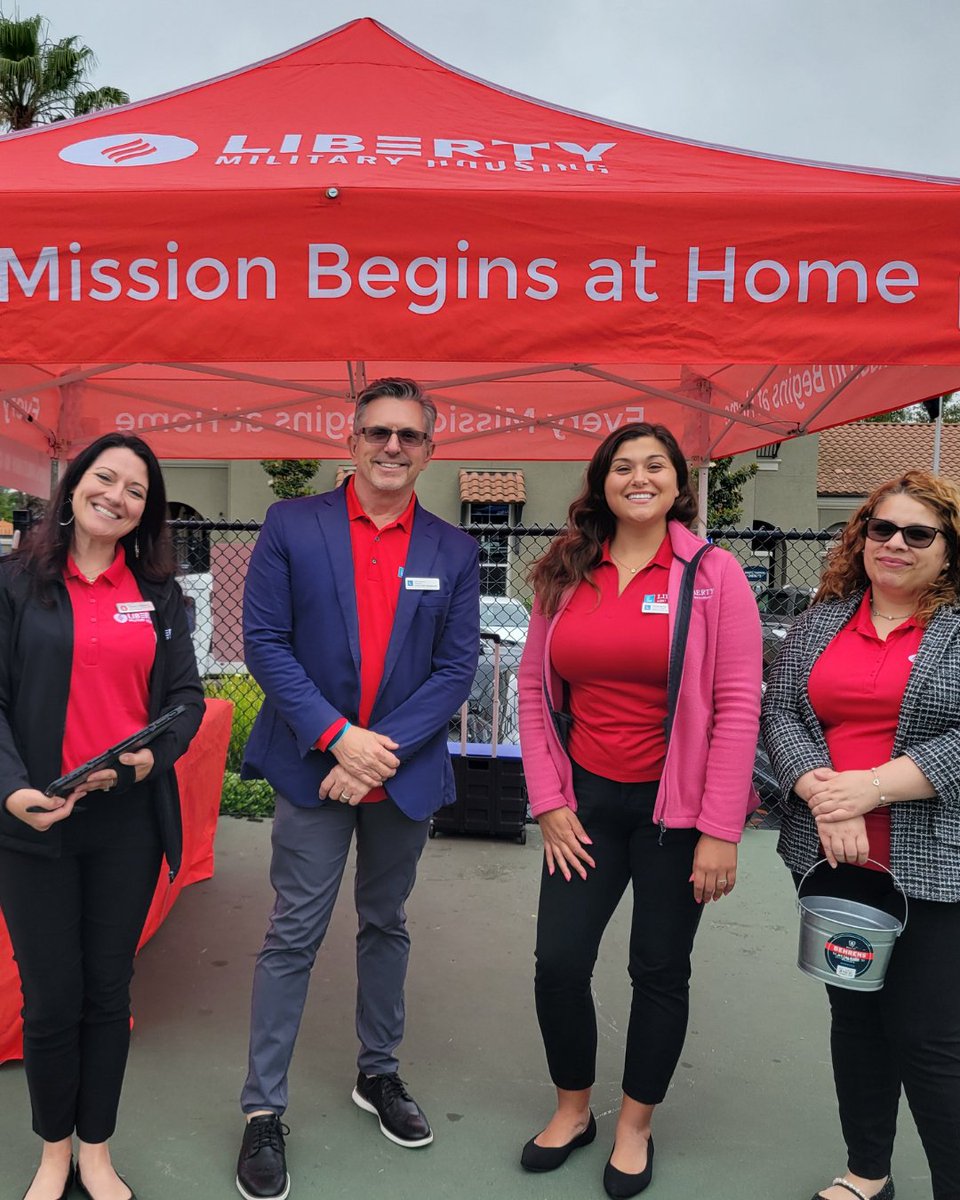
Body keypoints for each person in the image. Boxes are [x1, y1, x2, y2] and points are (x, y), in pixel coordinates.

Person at [235, 378, 480, 1200]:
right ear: (351, 441)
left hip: (400, 778)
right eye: (378, 432)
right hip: (314, 767)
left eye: (409, 435)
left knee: (386, 924)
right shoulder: (291, 525)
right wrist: (338, 738)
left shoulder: (453, 550)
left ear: (429, 450)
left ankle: (378, 1073)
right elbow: (265, 644)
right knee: (292, 934)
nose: (392, 447)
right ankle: (262, 1110)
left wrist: (377, 753)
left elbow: (454, 671)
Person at [517, 422, 761, 1198]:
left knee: (658, 968)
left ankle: (634, 1124)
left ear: (678, 483)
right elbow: (532, 689)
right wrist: (549, 802)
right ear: (602, 482)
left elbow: (737, 706)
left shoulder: (714, 574)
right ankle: (573, 1110)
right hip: (585, 804)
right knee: (559, 963)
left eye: (656, 465)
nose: (639, 478)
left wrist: (719, 830)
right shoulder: (566, 568)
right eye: (623, 466)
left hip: (674, 812)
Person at [0, 432, 204, 1200]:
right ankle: (53, 1154)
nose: (116, 496)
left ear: (145, 513)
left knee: (108, 994)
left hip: (127, 826)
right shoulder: (15, 583)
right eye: (106, 477)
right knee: (51, 999)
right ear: (76, 482)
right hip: (34, 823)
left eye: (135, 491)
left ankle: (96, 1151)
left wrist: (152, 757)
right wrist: (11, 790)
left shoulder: (160, 596)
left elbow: (185, 700)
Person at [761, 469, 960, 1200]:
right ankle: (867, 1173)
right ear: (862, 537)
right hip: (830, 854)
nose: (896, 543)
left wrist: (870, 788)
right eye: (883, 528)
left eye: (919, 533)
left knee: (929, 1039)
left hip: (935, 858)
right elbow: (781, 712)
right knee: (856, 1018)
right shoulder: (822, 623)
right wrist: (823, 794)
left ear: (949, 549)